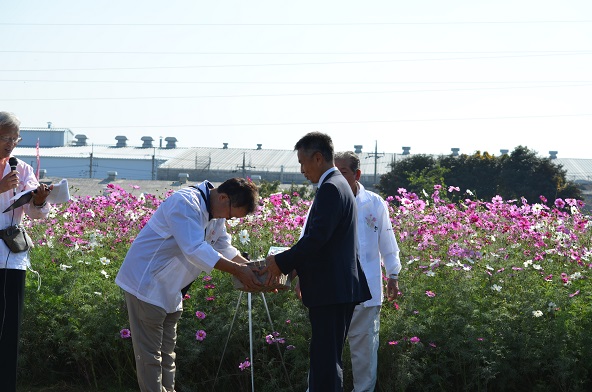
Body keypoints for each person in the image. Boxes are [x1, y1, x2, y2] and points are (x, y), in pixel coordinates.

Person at [115, 177, 262, 392]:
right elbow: (194, 249)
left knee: (167, 356)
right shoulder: (184, 203)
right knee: (150, 358)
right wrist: (240, 271)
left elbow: (224, 247)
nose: (227, 220)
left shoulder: (217, 212)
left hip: (171, 289)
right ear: (223, 197)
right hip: (145, 286)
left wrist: (253, 269)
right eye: (230, 215)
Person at [262, 132, 371, 392]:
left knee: (325, 363)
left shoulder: (332, 187)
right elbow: (321, 241)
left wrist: (281, 262)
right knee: (327, 360)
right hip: (335, 289)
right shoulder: (338, 185)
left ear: (318, 158)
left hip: (331, 290)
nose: (301, 170)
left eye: (303, 163)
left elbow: (315, 240)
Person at [334, 151, 401, 392]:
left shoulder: (374, 202)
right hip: (333, 290)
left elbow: (387, 241)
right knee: (327, 352)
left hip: (368, 289)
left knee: (365, 354)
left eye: (342, 173)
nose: (337, 178)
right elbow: (307, 239)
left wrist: (393, 274)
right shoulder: (326, 200)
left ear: (357, 174)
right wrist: (299, 273)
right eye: (334, 173)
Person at [0, 111, 53, 392]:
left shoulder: (21, 168)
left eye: (14, 139)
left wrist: (40, 200)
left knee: (9, 332)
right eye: (5, 137)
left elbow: (35, 214)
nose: (10, 144)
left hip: (12, 257)